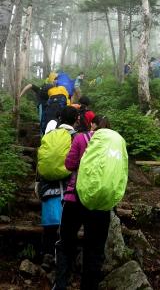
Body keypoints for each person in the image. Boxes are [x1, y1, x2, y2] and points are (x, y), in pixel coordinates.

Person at [52, 115, 111, 290]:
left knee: (66, 242)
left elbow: (69, 165)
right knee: (94, 249)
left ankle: (61, 284)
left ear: (92, 125)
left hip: (75, 198)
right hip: (101, 203)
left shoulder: (80, 138)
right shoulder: (113, 143)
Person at [37, 106, 79, 260]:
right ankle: (64, 258)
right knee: (67, 225)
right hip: (68, 187)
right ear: (76, 120)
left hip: (47, 185)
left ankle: (47, 254)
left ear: (60, 118)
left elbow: (41, 159)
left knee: (49, 223)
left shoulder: (49, 135)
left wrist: (38, 183)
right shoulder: (76, 137)